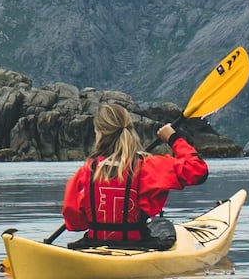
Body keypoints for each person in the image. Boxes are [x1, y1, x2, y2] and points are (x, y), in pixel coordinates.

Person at [61, 103, 209, 250]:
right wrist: (173, 138)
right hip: (137, 246)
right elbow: (198, 170)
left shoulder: (85, 171)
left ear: (98, 133)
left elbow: (74, 224)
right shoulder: (149, 166)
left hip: (94, 245)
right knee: (163, 226)